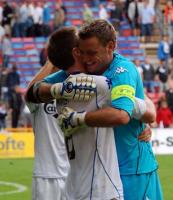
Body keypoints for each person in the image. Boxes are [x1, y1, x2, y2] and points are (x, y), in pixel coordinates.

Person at [30, 26, 156, 199]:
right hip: (103, 177)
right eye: (83, 52)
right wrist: (58, 90)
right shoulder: (94, 82)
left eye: (91, 52)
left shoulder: (113, 74)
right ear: (76, 53)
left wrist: (71, 109)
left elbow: (141, 113)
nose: (88, 58)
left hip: (131, 167)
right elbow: (148, 111)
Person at [25, 61, 70, 200]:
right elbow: (29, 93)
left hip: (74, 175)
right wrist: (51, 61)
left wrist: (140, 121)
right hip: (46, 175)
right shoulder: (38, 99)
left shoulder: (76, 93)